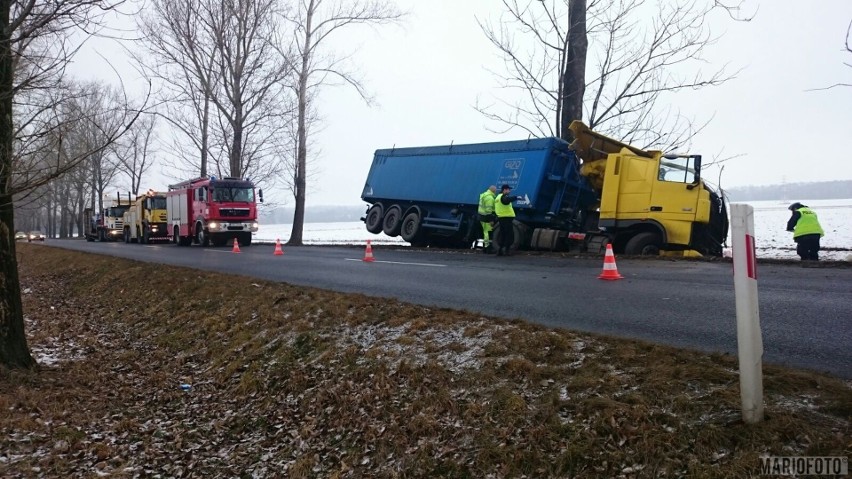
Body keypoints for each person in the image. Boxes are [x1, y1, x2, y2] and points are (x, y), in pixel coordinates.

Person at [494, 184, 521, 256]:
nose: (509, 191)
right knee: (509, 234)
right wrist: (516, 197)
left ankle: (499, 251)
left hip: (501, 218)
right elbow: (506, 200)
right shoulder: (503, 196)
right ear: (504, 190)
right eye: (509, 189)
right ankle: (507, 251)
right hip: (506, 218)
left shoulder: (498, 197)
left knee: (503, 234)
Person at [477, 185, 497, 253]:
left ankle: (485, 248)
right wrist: (491, 220)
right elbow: (489, 211)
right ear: (493, 191)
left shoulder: (483, 195)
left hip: (481, 216)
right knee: (487, 233)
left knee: (485, 233)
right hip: (486, 218)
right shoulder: (490, 198)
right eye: (495, 190)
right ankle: (487, 249)